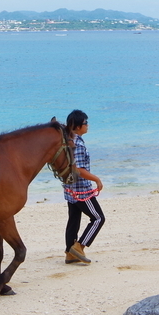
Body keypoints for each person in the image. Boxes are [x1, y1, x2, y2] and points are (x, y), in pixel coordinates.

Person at [62, 110, 105, 265]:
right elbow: (79, 170)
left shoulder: (68, 140)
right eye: (86, 123)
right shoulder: (77, 144)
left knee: (74, 220)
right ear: (78, 126)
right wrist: (96, 179)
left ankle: (69, 253)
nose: (88, 126)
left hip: (70, 190)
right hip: (81, 190)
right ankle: (79, 247)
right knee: (98, 218)